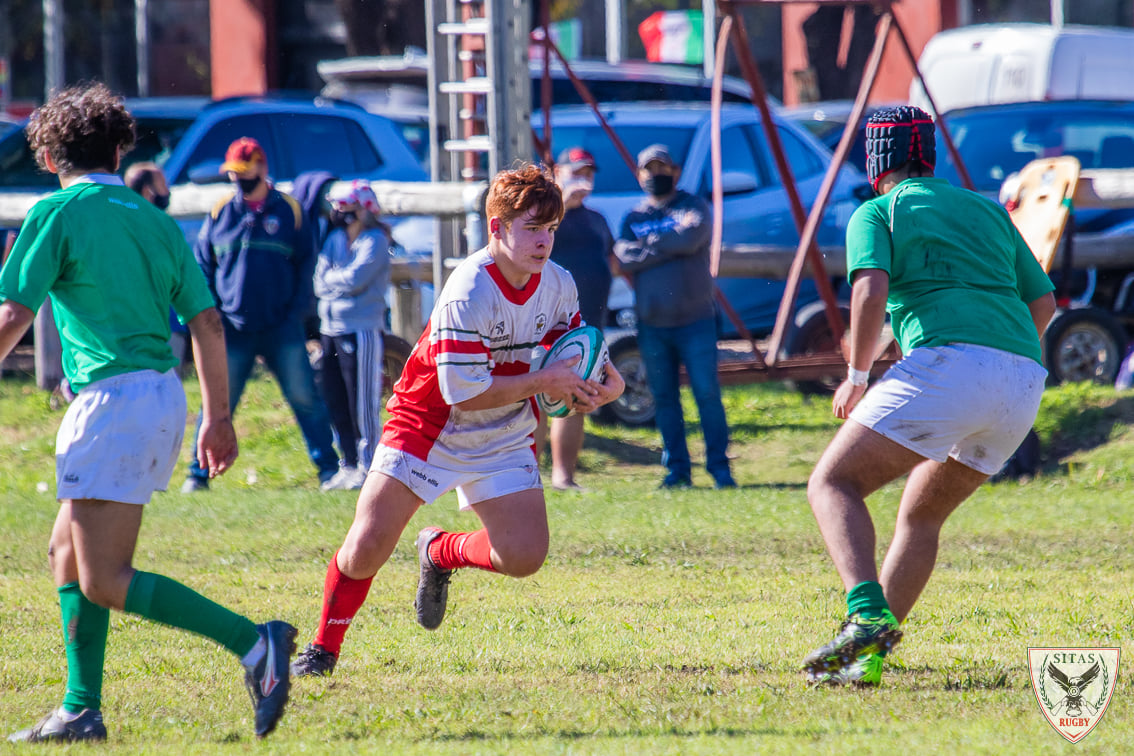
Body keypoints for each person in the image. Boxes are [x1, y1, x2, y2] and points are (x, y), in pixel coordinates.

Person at [0, 83, 296, 743]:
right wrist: (218, 417)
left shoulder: (56, 213)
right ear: (119, 148)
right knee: (64, 554)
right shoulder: (154, 219)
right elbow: (208, 323)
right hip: (159, 394)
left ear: (49, 158)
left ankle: (255, 644)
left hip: (109, 404)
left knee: (105, 579)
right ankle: (81, 709)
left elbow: (15, 314)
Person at [289, 164, 625, 677]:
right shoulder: (469, 289)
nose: (543, 242)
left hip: (504, 427)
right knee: (364, 550)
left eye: (551, 229)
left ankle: (440, 550)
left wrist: (605, 382)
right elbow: (463, 396)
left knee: (524, 556)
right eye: (532, 228)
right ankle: (321, 650)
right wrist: (546, 383)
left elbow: (575, 349)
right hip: (428, 424)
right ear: (497, 228)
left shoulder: (558, 283)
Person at [801, 106, 1056, 687]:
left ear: (874, 160)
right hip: (1022, 381)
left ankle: (865, 617)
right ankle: (863, 662)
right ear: (930, 155)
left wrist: (857, 373)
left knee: (833, 483)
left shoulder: (878, 210)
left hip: (953, 366)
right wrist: (1001, 359)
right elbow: (1043, 302)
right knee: (922, 516)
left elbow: (869, 292)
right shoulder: (988, 209)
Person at [181, 137, 340, 492]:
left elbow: (306, 265)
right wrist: (212, 313)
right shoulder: (221, 211)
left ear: (263, 170)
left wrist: (297, 313)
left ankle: (329, 469)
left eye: (245, 173)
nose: (238, 181)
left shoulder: (290, 211)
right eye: (233, 174)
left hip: (281, 326)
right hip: (232, 328)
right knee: (218, 402)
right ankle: (198, 473)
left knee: (304, 397)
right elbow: (203, 265)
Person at [614, 144, 736, 489]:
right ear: (639, 175)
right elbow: (623, 257)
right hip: (652, 325)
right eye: (648, 169)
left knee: (707, 395)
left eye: (661, 168)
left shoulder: (692, 205)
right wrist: (667, 242)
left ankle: (719, 469)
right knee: (664, 399)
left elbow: (692, 236)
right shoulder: (632, 217)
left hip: (695, 322)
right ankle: (677, 471)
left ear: (676, 171)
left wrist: (648, 248)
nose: (655, 175)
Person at [535, 147, 615, 490]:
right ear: (557, 171)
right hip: (545, 324)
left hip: (586, 326)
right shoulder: (547, 214)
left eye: (589, 172)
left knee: (577, 398)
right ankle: (525, 474)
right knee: (535, 399)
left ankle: (564, 478)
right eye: (576, 171)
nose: (584, 178)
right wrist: (563, 201)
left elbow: (613, 260)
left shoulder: (597, 219)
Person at [314, 180, 392, 491]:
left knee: (361, 400)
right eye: (338, 206)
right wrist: (338, 280)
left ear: (365, 209)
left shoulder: (375, 241)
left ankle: (369, 463)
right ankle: (347, 463)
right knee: (335, 397)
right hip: (329, 330)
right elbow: (318, 282)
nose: (341, 212)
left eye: (348, 207)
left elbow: (357, 279)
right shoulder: (333, 240)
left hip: (361, 330)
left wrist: (335, 280)